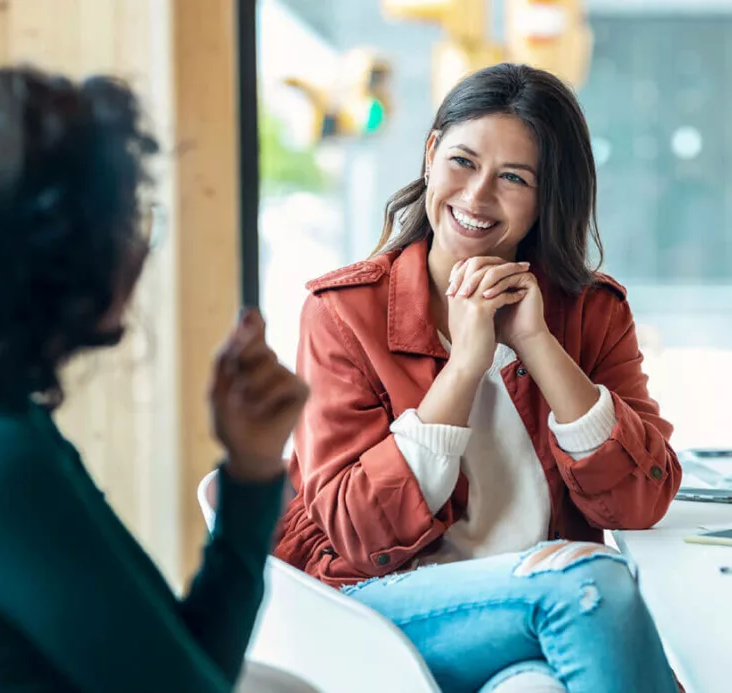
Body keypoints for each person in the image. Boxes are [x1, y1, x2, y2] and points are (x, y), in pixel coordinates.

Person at [275, 63, 683, 693]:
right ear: (432, 152)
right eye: (463, 161)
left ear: (549, 197)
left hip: (535, 622)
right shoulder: (344, 313)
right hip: (384, 610)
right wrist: (465, 366)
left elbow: (638, 502)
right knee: (593, 583)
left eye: (513, 178)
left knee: (533, 685)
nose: (477, 197)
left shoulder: (591, 313)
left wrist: (536, 343)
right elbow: (357, 536)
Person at [0, 67, 308, 693]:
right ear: (55, 252)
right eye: (128, 218)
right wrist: (251, 483)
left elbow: (188, 664)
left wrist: (253, 470)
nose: (138, 247)